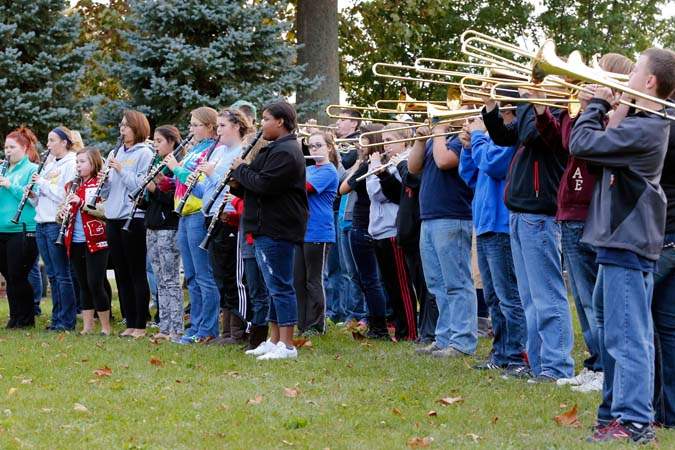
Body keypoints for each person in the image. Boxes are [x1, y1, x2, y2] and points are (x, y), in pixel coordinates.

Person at [570, 48, 675, 444]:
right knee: (616, 332)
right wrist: (617, 105)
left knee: (628, 334)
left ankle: (634, 421)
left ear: (649, 81)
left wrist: (596, 105)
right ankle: (613, 414)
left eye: (635, 72)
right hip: (618, 241)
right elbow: (595, 156)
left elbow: (582, 143)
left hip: (627, 241)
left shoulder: (648, 128)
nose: (626, 77)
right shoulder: (638, 122)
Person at [533, 54, 635, 392]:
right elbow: (563, 143)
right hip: (570, 211)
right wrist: (544, 111)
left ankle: (606, 368)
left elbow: (581, 146)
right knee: (583, 297)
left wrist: (590, 108)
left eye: (597, 71)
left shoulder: (615, 115)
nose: (587, 77)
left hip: (589, 211)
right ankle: (595, 363)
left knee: (596, 300)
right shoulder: (589, 110)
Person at [481, 86, 573, 380]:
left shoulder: (557, 116)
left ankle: (557, 365)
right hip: (520, 213)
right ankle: (537, 363)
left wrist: (524, 99)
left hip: (539, 215)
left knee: (547, 295)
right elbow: (503, 136)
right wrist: (491, 107)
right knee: (530, 298)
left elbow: (533, 134)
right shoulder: (530, 116)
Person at [231, 100, 308, 360]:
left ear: (280, 121)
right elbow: (253, 184)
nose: (262, 124)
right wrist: (237, 181)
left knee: (280, 286)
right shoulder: (273, 149)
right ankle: (274, 340)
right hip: (265, 225)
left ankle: (287, 344)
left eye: (265, 119)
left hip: (277, 227)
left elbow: (264, 184)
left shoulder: (286, 151)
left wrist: (241, 169)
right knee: (273, 285)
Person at [458, 113, 526, 371]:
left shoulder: (508, 136)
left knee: (508, 295)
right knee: (493, 296)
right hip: (485, 223)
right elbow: (470, 176)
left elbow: (494, 164)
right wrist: (468, 149)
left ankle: (517, 354)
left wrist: (477, 137)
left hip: (502, 224)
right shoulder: (487, 140)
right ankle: (500, 353)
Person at [408, 119, 476, 358]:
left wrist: (437, 132)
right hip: (430, 217)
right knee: (437, 284)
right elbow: (413, 168)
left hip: (453, 215)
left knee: (457, 282)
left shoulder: (461, 138)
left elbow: (444, 161)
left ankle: (462, 341)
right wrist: (420, 140)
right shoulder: (439, 139)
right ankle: (444, 337)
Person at [165, 106, 221, 344]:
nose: (191, 129)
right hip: (184, 213)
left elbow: (197, 183)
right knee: (191, 276)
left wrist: (176, 168)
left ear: (209, 127)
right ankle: (196, 325)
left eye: (196, 125)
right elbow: (181, 179)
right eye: (191, 124)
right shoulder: (195, 148)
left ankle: (208, 328)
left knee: (203, 275)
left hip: (198, 211)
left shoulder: (212, 150)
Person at [196, 108, 252, 345]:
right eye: (217, 125)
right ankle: (226, 330)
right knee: (219, 274)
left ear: (237, 126)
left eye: (222, 126)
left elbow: (232, 184)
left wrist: (211, 173)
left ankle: (239, 330)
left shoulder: (242, 152)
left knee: (232, 275)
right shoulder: (219, 151)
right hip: (211, 215)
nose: (218, 131)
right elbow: (208, 189)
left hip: (230, 216)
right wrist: (194, 181)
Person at [100, 110, 154, 338]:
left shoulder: (145, 153)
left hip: (133, 218)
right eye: (121, 125)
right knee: (121, 273)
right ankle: (129, 321)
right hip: (113, 217)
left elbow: (141, 186)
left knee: (136, 272)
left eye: (126, 125)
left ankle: (140, 324)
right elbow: (107, 191)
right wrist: (103, 181)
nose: (122, 129)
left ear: (137, 127)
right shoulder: (115, 152)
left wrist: (121, 170)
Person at [340, 124, 393, 340]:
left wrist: (359, 164)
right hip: (371, 224)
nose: (359, 145)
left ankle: (378, 327)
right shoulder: (379, 163)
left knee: (370, 280)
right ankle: (378, 323)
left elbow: (343, 188)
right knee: (372, 279)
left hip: (363, 225)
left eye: (363, 141)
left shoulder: (368, 165)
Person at [366, 124, 418, 341]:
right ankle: (400, 327)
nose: (385, 145)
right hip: (379, 230)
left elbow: (378, 192)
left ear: (404, 141)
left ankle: (410, 331)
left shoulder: (404, 161)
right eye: (384, 140)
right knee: (390, 285)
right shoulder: (387, 163)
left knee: (402, 285)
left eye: (390, 140)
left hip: (393, 229)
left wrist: (376, 168)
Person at [31, 127, 78, 331]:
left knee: (62, 274)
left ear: (64, 142)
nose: (48, 144)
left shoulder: (72, 163)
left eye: (52, 140)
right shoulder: (50, 164)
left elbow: (64, 196)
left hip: (56, 223)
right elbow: (42, 198)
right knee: (51, 274)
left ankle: (66, 321)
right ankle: (57, 319)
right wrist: (32, 195)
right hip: (41, 222)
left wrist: (41, 183)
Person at [62, 147, 111, 335]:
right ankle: (87, 326)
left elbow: (106, 211)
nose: (78, 165)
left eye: (82, 161)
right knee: (83, 284)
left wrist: (82, 204)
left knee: (95, 283)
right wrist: (61, 214)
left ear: (94, 163)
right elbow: (62, 209)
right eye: (77, 161)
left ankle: (106, 327)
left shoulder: (101, 183)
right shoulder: (71, 185)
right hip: (74, 240)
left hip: (96, 240)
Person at [295, 131, 338, 336]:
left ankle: (317, 325)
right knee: (298, 280)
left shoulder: (329, 171)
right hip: (301, 230)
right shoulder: (310, 168)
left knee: (314, 280)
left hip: (319, 231)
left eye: (318, 145)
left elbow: (304, 188)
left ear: (329, 147)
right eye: (311, 146)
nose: (314, 150)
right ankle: (303, 324)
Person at [144, 125, 183, 341]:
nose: (155, 145)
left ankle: (176, 327)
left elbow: (175, 200)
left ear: (172, 142)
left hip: (168, 226)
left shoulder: (177, 165)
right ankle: (164, 324)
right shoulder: (157, 163)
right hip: (152, 225)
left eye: (159, 141)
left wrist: (155, 190)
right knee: (159, 279)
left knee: (170, 279)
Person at [0, 127, 39, 328]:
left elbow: (34, 200)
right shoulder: (3, 168)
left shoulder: (32, 169)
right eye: (6, 147)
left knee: (18, 275)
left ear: (24, 148)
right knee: (9, 276)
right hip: (2, 230)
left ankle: (26, 318)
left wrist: (9, 185)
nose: (8, 151)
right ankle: (15, 317)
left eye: (12, 147)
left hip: (22, 229)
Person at [653, 95, 675, 429]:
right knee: (668, 329)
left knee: (632, 323)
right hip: (667, 235)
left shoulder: (663, 123)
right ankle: (668, 413)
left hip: (661, 236)